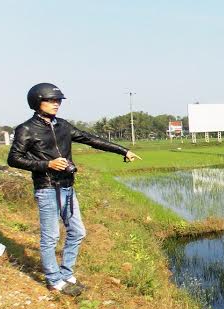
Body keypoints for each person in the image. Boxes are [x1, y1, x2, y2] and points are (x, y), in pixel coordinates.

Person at [8, 83, 141, 296]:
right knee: (50, 237)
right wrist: (47, 165)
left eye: (58, 100)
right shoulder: (26, 129)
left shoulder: (63, 126)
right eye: (51, 100)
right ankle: (53, 280)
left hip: (67, 187)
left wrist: (123, 150)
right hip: (47, 188)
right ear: (37, 102)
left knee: (78, 232)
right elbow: (14, 159)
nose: (56, 104)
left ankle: (66, 273)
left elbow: (90, 139)